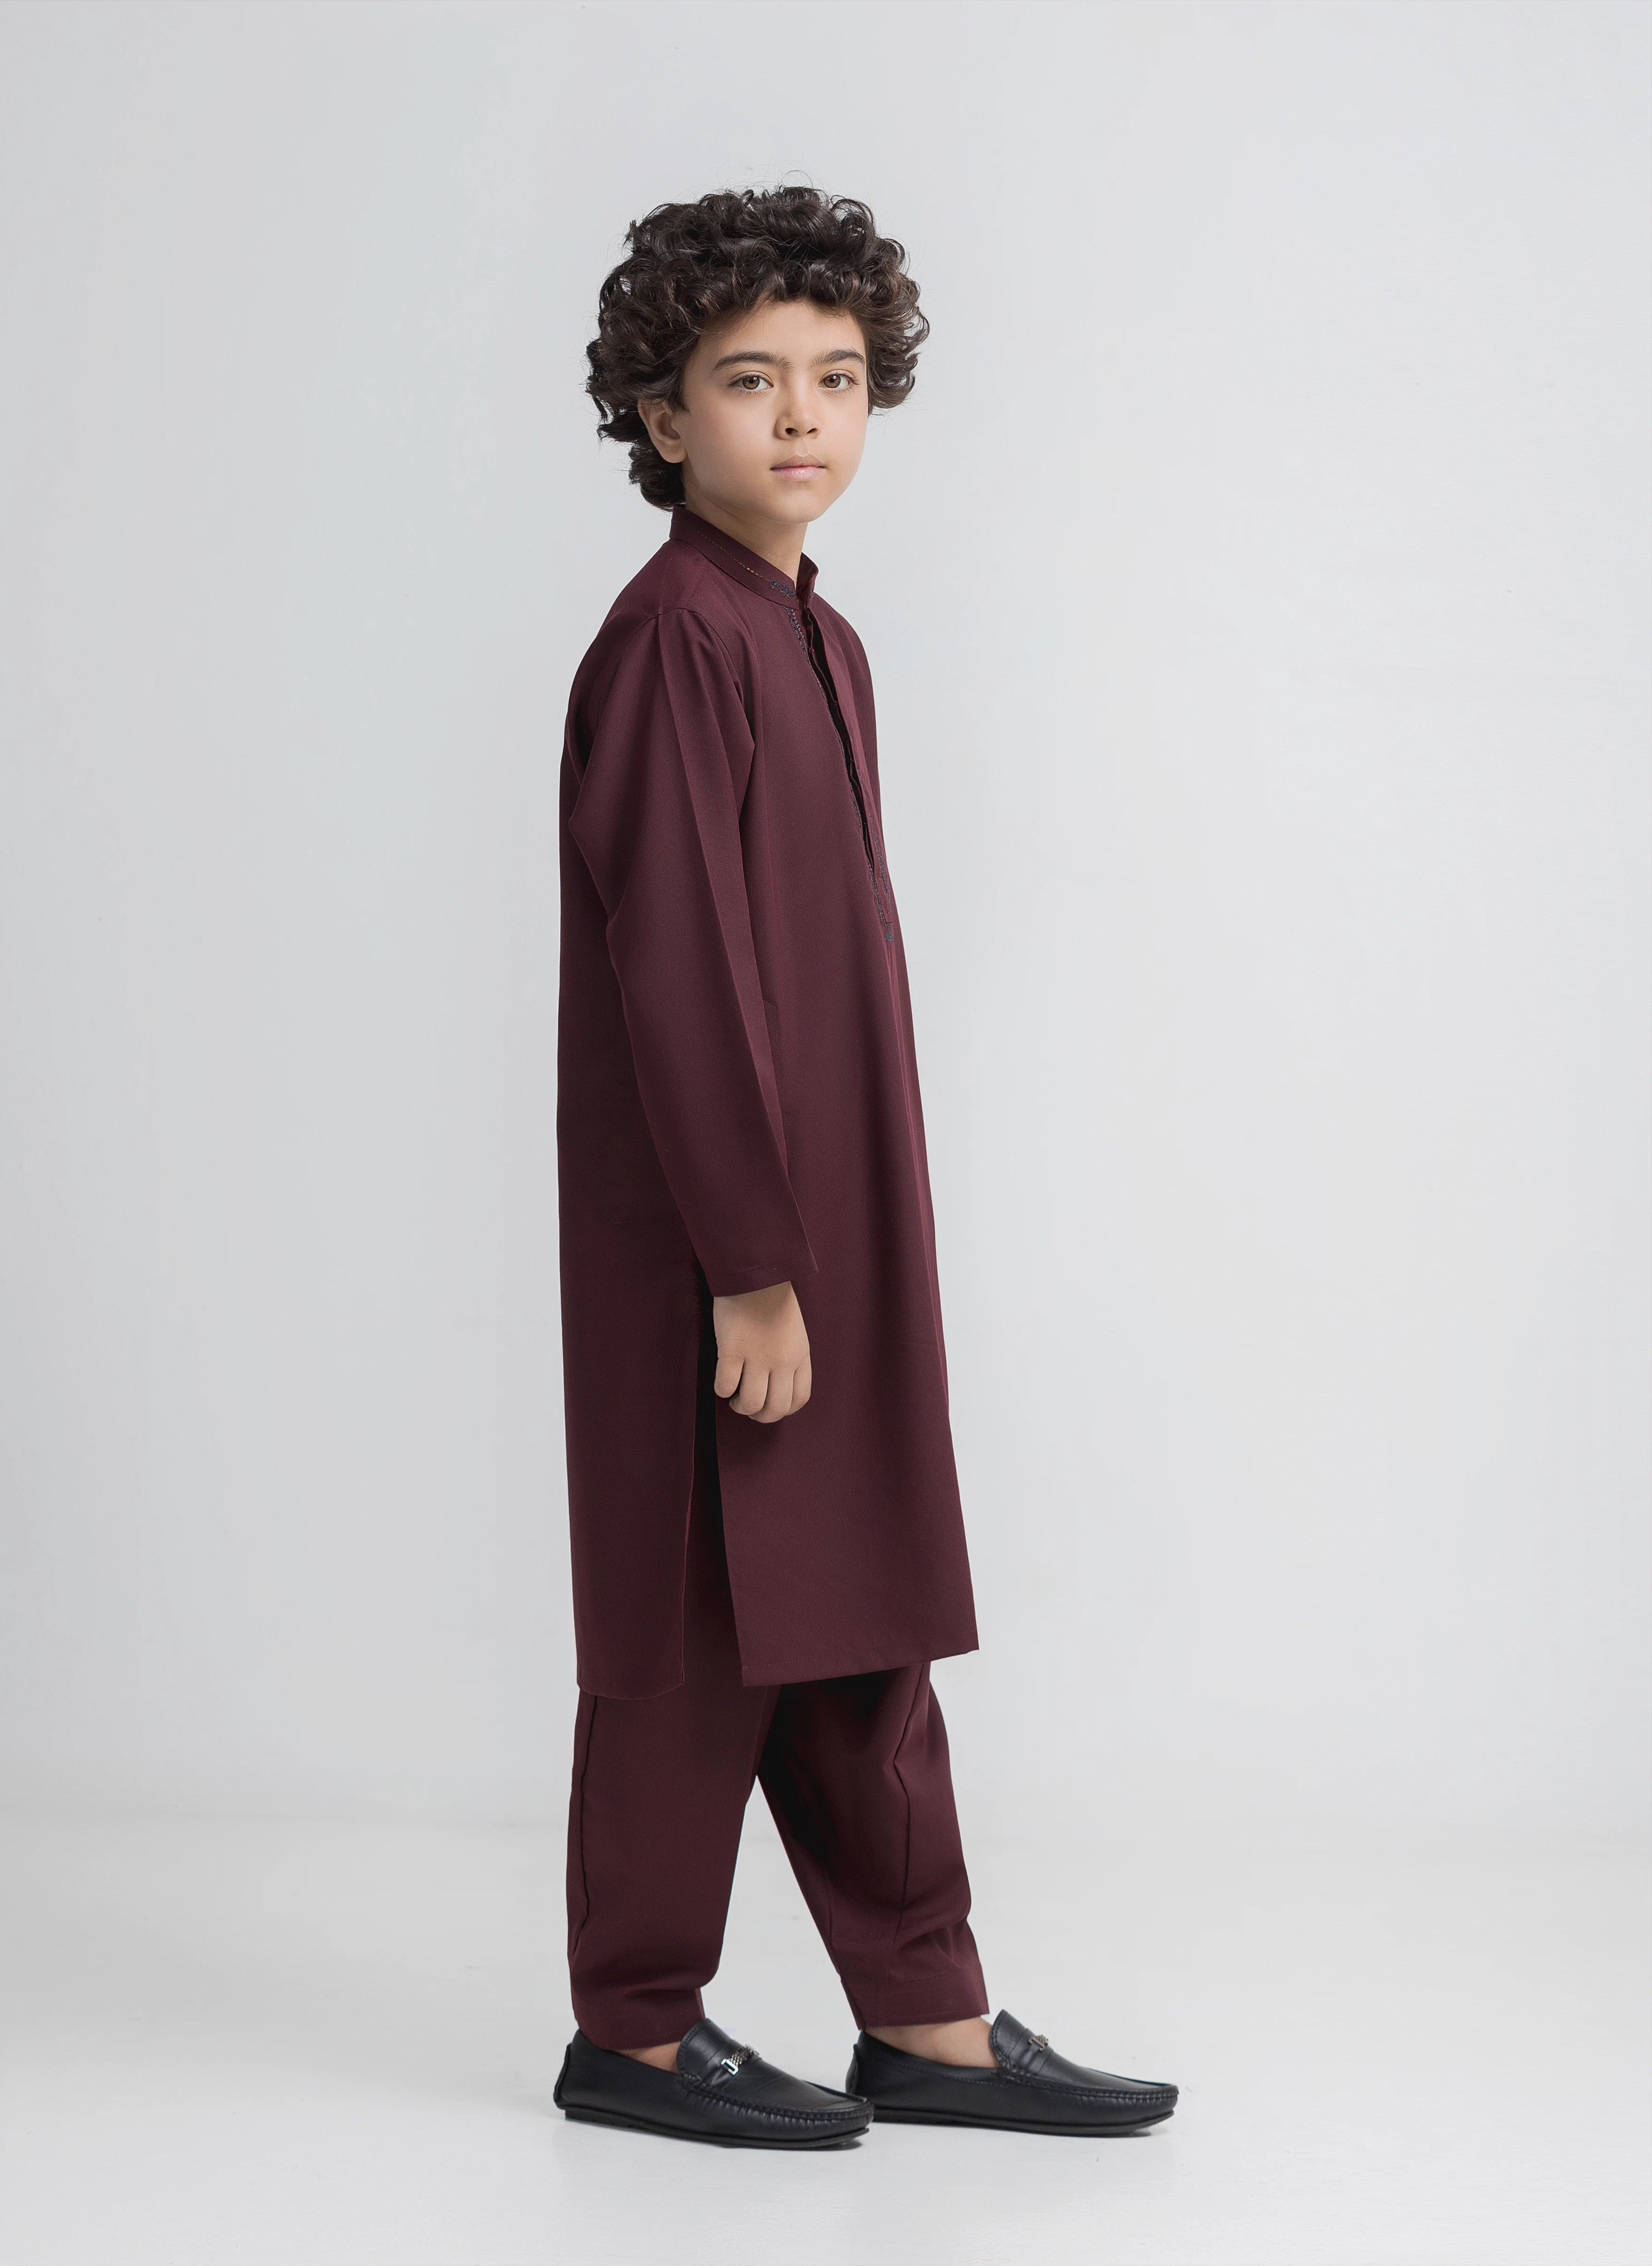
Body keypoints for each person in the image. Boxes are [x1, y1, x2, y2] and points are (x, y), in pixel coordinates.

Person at [550, 185, 1178, 2148]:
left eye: (836, 377)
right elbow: (679, 970)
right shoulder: (674, 640)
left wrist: (827, 1245)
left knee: (860, 1607)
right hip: (720, 1246)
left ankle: (929, 2019)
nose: (803, 416)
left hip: (835, 1225)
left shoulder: (817, 634)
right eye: (750, 381)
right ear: (664, 417)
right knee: (698, 1631)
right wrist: (749, 1263)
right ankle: (634, 2031)